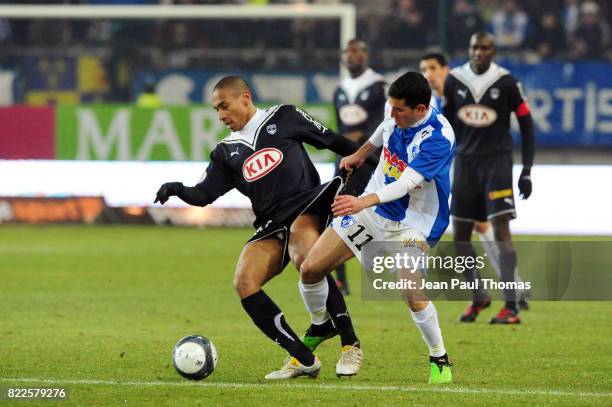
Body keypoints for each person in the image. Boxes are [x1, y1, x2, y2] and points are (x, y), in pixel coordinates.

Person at [154, 76, 363, 379]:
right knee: (244, 281)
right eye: (215, 110)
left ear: (246, 97)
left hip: (305, 205)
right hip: (270, 222)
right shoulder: (226, 153)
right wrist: (178, 189)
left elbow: (336, 142)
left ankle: (350, 343)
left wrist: (368, 172)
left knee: (305, 257)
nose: (221, 115)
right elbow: (204, 195)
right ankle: (303, 358)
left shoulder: (285, 116)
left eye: (224, 106)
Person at [298, 71, 455, 384]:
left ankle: (439, 356)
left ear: (420, 110)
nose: (392, 114)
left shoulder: (439, 138)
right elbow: (385, 128)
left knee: (409, 285)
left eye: (399, 110)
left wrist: (361, 201)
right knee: (310, 268)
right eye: (391, 107)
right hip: (375, 211)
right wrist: (359, 153)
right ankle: (321, 324)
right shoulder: (394, 113)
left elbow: (408, 182)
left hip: (414, 223)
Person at [420, 52, 529, 312]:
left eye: (433, 68)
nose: (428, 74)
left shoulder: (460, 90)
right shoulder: (430, 101)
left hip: (474, 165)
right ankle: (503, 288)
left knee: (480, 226)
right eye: (424, 69)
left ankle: (509, 287)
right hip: (449, 168)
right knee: (473, 229)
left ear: (446, 69)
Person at [443, 32, 535, 324]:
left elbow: (527, 124)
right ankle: (479, 295)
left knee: (501, 230)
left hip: (496, 162)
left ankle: (511, 306)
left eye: (484, 48)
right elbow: (446, 125)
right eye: (474, 47)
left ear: (493, 51)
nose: (479, 52)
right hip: (465, 163)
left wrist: (527, 171)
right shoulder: (454, 80)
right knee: (459, 238)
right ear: (469, 50)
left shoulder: (507, 82)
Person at [331, 38, 387, 295]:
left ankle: (383, 268)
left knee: (365, 214)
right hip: (345, 161)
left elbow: (382, 127)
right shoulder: (340, 90)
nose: (350, 55)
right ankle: (340, 279)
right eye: (347, 51)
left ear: (366, 55)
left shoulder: (379, 87)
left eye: (355, 51)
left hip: (370, 161)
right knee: (337, 212)